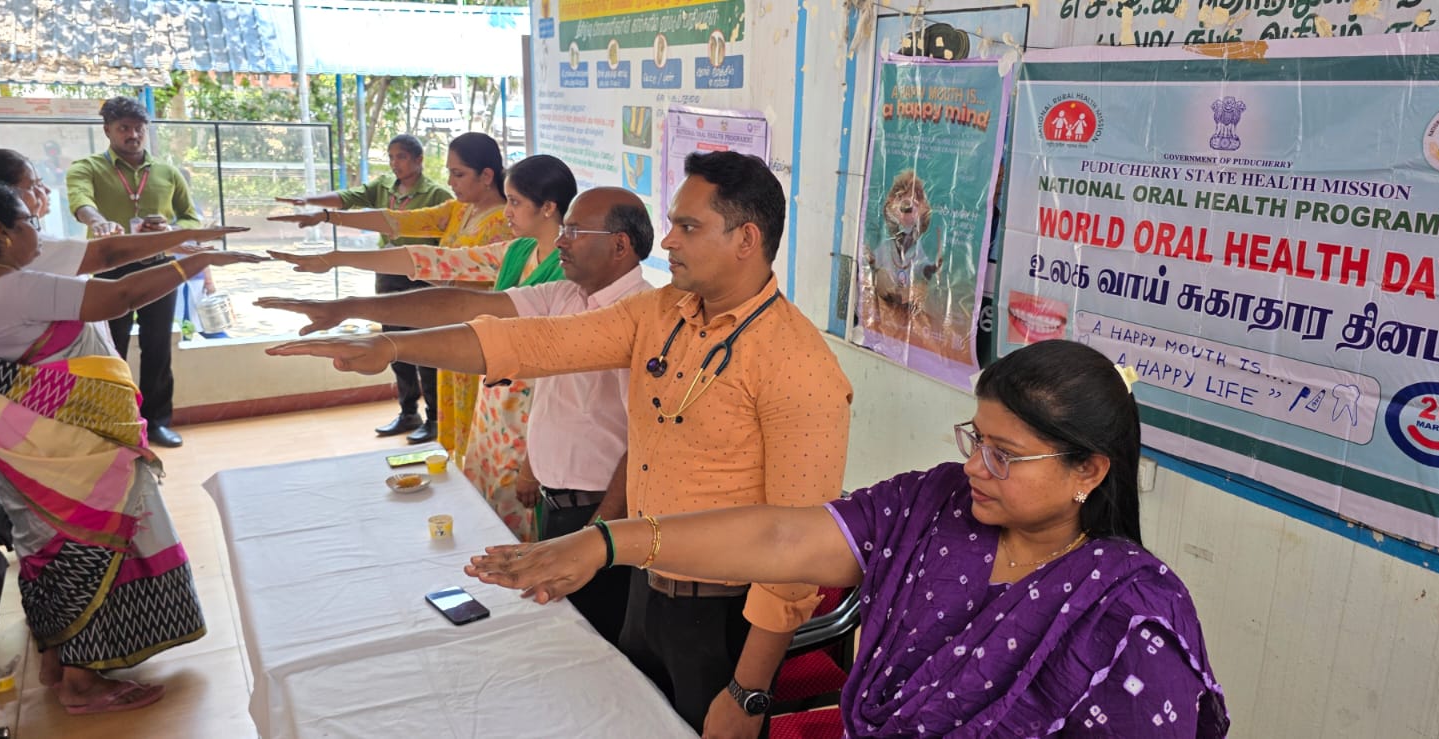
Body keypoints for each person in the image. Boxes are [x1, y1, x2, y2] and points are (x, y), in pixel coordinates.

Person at [267, 151, 853, 738]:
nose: (667, 241)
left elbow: (798, 552)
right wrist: (392, 345)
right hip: (645, 585)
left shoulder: (798, 364)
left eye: (688, 226)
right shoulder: (660, 313)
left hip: (723, 614)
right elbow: (531, 342)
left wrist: (748, 690)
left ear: (746, 238)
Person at [467, 340, 1231, 738]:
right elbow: (784, 534)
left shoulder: (1130, 617)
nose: (975, 465)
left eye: (1005, 454)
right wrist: (607, 543)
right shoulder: (938, 503)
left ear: (1088, 470)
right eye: (976, 438)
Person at [256, 186, 653, 640]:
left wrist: (599, 533)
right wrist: (355, 312)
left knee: (598, 639)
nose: (562, 240)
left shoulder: (644, 318)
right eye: (564, 230)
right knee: (566, 630)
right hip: (559, 503)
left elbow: (643, 441)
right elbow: (467, 306)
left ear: (620, 245)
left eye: (575, 231)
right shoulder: (565, 295)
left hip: (602, 509)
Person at [0, 181, 265, 715]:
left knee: (46, 549)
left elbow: (108, 256)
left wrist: (188, 242)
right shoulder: (14, 287)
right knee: (93, 545)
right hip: (67, 448)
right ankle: (81, 683)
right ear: (2, 232)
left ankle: (58, 660)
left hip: (26, 443)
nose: (38, 231)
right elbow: (119, 296)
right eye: (29, 221)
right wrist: (197, 260)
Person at [268, 153, 575, 540]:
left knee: (522, 517)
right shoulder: (516, 251)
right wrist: (336, 259)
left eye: (515, 202)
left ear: (548, 208)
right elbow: (436, 260)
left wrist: (533, 463)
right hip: (497, 402)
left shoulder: (570, 273)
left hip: (535, 413)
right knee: (488, 506)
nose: (507, 211)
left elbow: (564, 378)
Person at [0, 148, 243, 416]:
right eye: (33, 186)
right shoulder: (14, 269)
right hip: (34, 412)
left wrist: (178, 240)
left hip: (20, 404)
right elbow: (115, 280)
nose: (45, 190)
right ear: (2, 199)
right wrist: (193, 252)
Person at [276, 134, 454, 442]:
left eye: (401, 157)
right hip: (388, 273)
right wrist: (310, 201)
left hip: (423, 276)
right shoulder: (384, 187)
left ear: (418, 160)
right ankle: (408, 412)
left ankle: (435, 418)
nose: (395, 163)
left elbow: (447, 241)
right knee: (393, 343)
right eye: (391, 157)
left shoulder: (437, 194)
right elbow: (348, 198)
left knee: (424, 347)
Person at [65, 96, 201, 448]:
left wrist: (170, 229)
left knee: (158, 347)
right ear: (107, 130)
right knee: (109, 350)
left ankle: (156, 423)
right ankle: (114, 424)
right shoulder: (87, 167)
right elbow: (80, 200)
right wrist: (97, 221)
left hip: (160, 269)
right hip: (109, 270)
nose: (133, 134)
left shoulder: (168, 172)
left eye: (139, 128)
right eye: (124, 128)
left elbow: (191, 219)